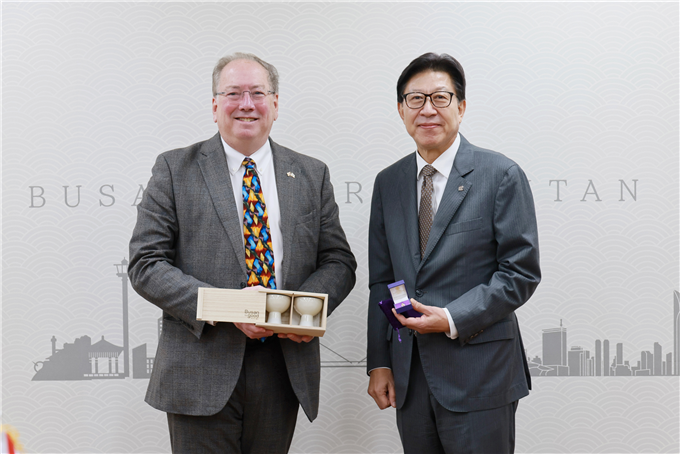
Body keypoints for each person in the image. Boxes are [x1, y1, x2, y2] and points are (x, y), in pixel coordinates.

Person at [128, 52, 356, 453]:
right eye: (233, 93)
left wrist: (299, 312)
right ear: (215, 105)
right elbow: (146, 264)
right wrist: (231, 307)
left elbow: (338, 261)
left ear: (275, 104)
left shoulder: (311, 174)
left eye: (257, 93)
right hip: (200, 366)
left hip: (282, 365)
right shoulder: (174, 169)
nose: (246, 104)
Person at [366, 52, 541, 453]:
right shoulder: (388, 182)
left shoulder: (500, 175)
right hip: (410, 376)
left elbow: (520, 273)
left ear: (460, 107)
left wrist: (449, 318)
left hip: (480, 374)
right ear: (401, 110)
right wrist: (380, 362)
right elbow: (384, 279)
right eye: (415, 99)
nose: (427, 109)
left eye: (440, 98)